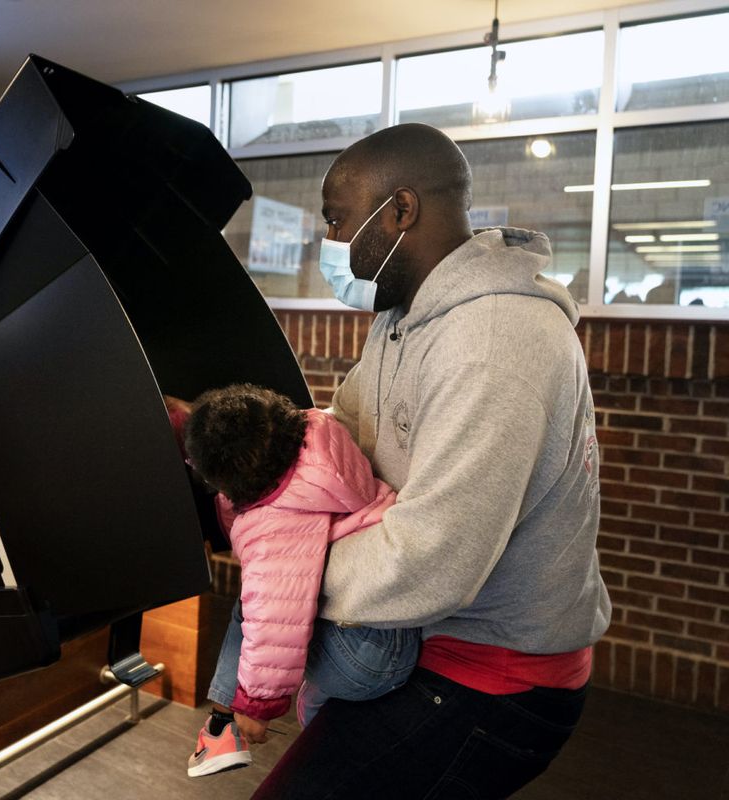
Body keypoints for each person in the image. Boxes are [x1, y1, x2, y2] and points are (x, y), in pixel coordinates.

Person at [251, 123, 611, 799]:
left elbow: (433, 563)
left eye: (337, 220)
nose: (330, 243)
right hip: (426, 641)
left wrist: (282, 566)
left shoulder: (496, 336)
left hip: (496, 677)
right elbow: (345, 434)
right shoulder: (401, 318)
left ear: (400, 210)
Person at [164, 385, 420, 778]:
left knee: (253, 610)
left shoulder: (275, 529)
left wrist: (257, 708)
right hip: (390, 616)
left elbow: (273, 626)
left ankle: (225, 730)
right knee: (267, 607)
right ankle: (239, 717)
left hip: (373, 656)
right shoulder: (316, 431)